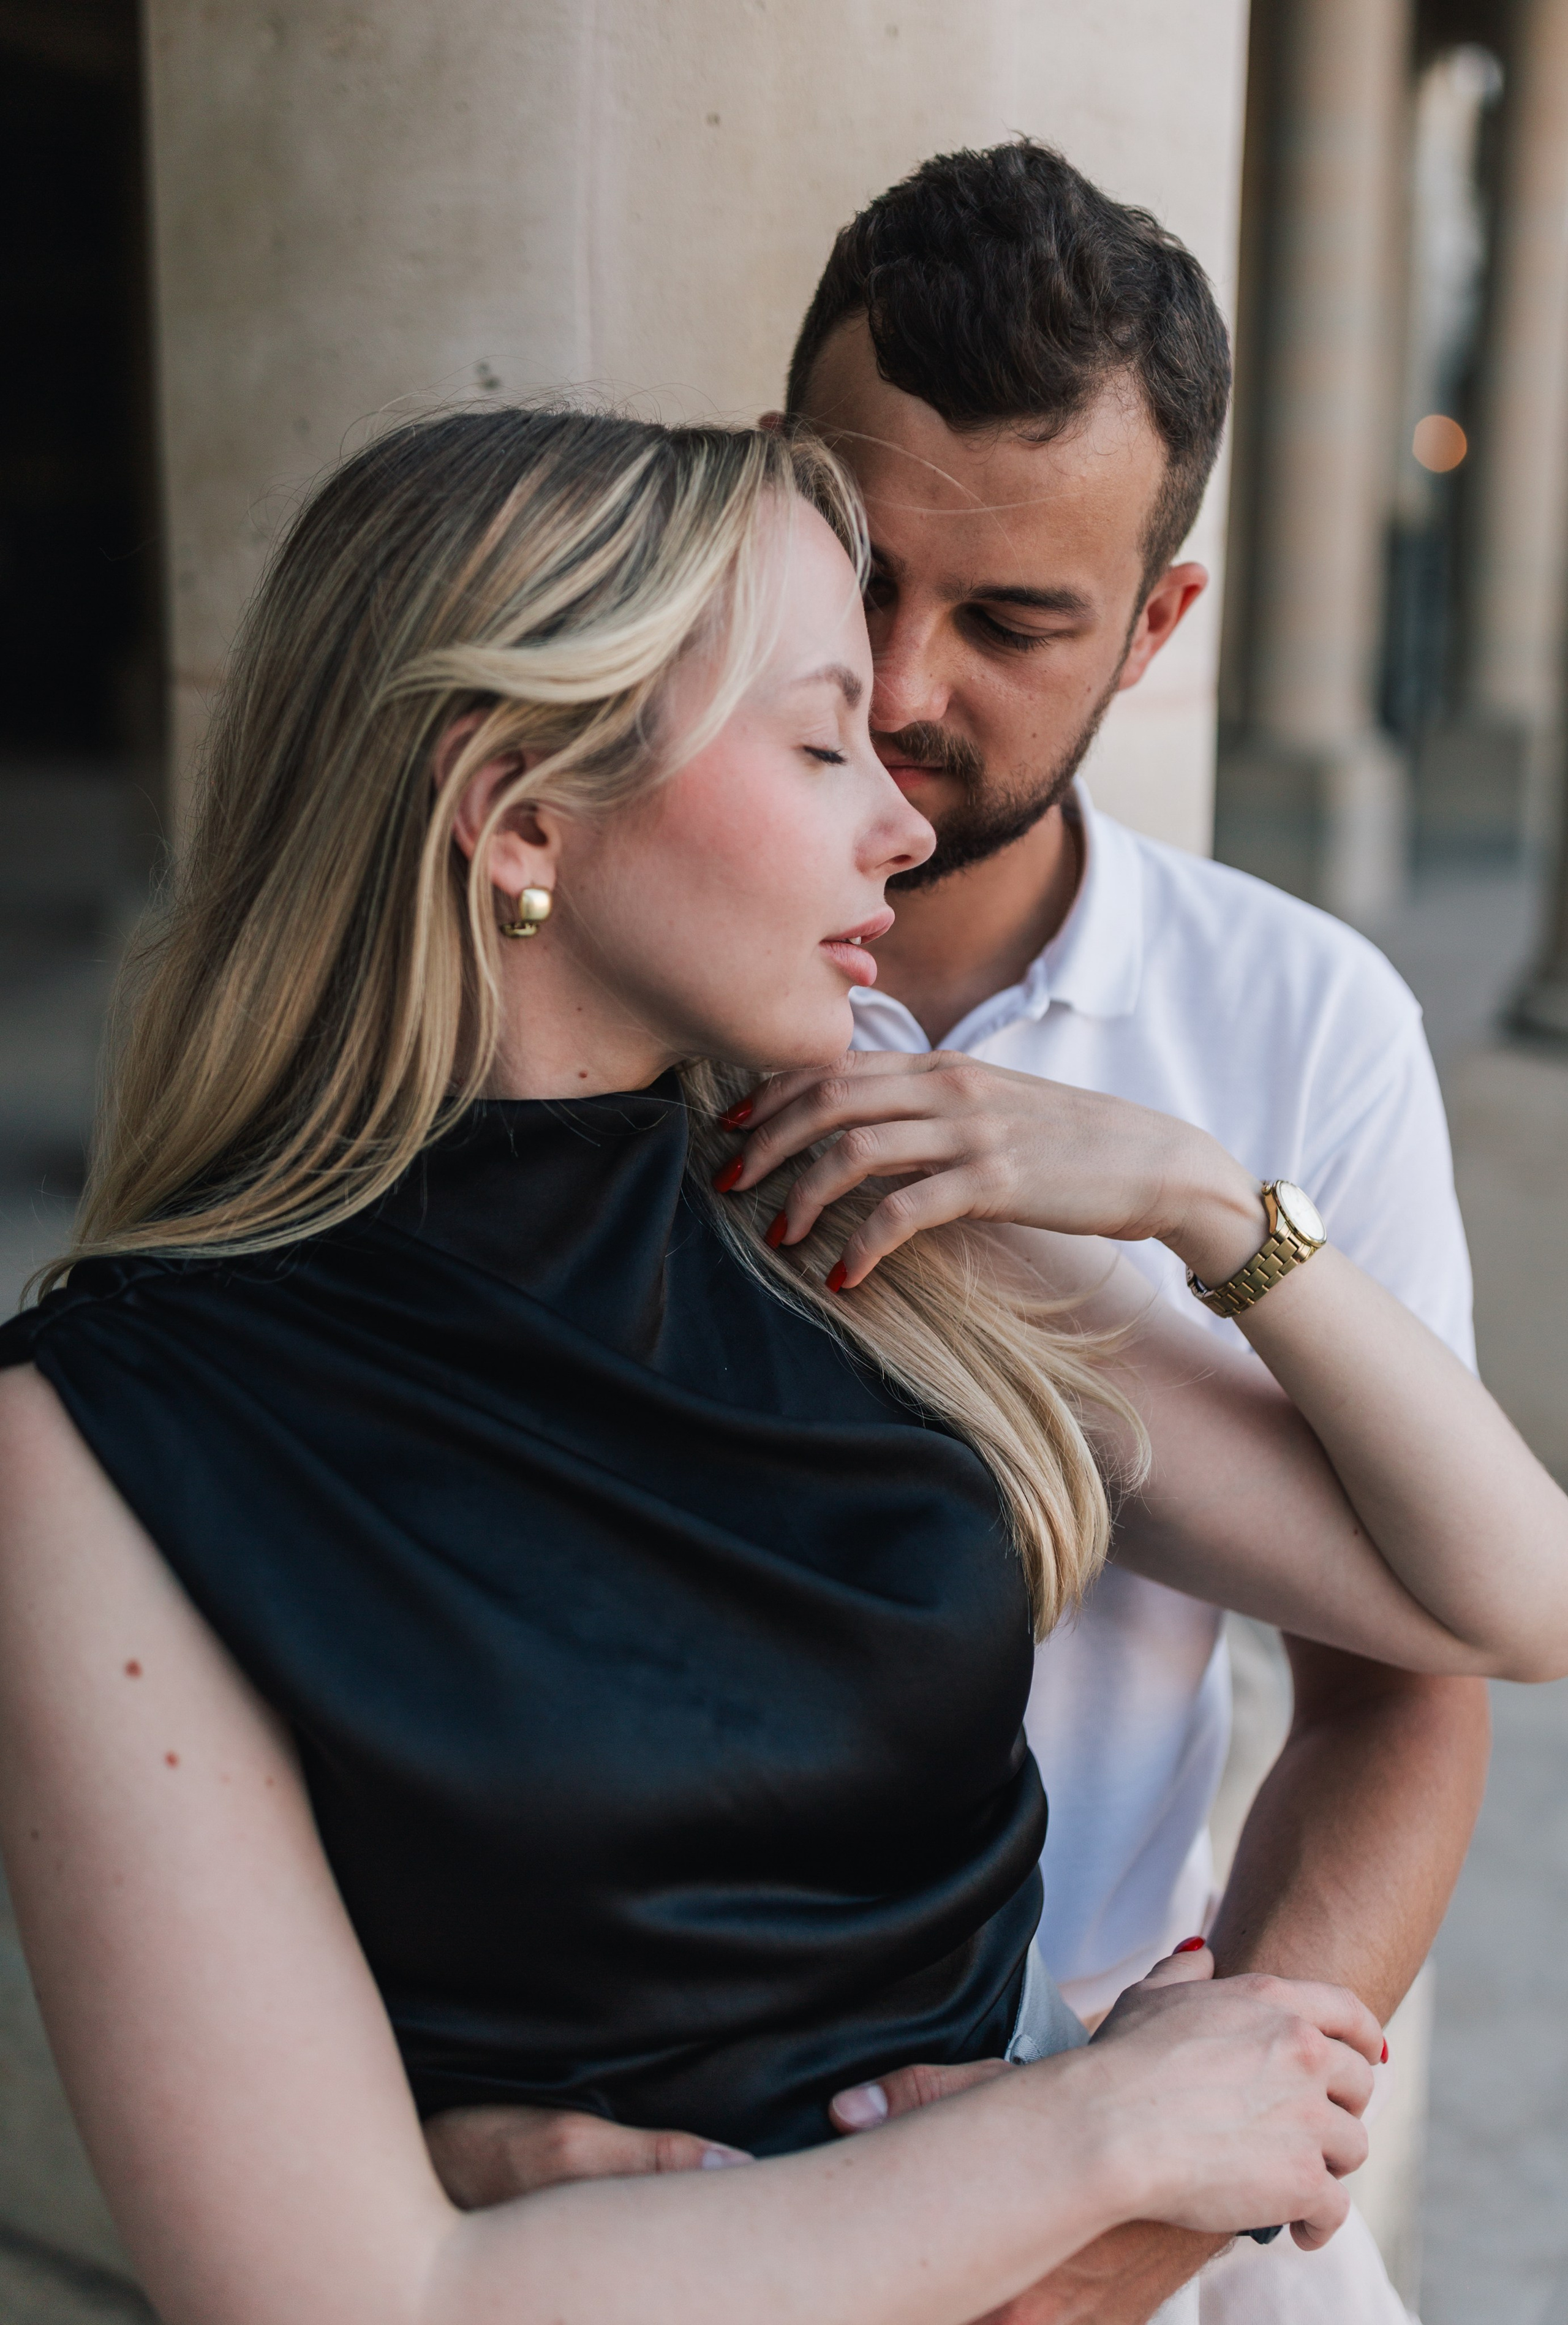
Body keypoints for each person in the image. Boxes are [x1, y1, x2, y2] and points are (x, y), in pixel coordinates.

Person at [1, 406, 1562, 2325]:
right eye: (823, 738)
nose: (901, 817)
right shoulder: (97, 1434)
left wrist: (1207, 1197)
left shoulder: (846, 1197)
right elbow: (351, 2300)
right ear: (520, 818)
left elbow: (1515, 1592)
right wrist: (1104, 2135)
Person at [429, 146, 1493, 2325]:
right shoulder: (560, 992)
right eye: (862, 569)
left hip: (1131, 2095)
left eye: (1010, 620)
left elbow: (1428, 1666)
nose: (905, 686)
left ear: (1160, 627)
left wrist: (1151, 2213)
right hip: (634, 2178)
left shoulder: (1298, 1018)